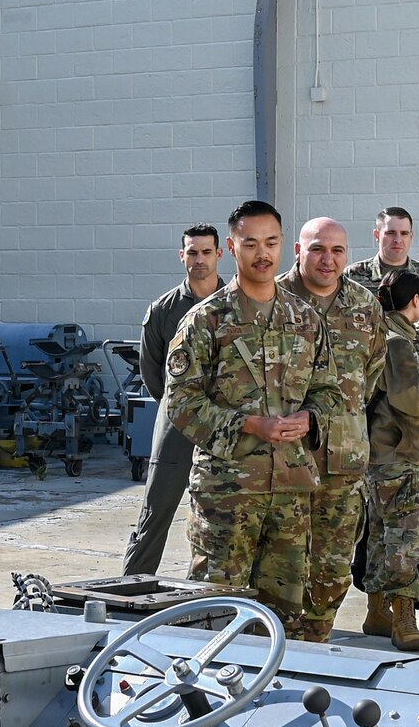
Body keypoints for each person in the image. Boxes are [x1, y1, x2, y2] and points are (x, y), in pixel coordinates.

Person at [165, 200, 337, 625]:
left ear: (284, 246)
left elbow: (330, 390)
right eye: (251, 243)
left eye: (272, 243)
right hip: (228, 492)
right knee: (216, 609)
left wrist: (311, 417)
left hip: (291, 490)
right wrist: (247, 424)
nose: (263, 254)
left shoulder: (305, 318)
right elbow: (181, 402)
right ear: (232, 247)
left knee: (283, 615)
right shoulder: (206, 320)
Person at [278, 217, 380, 641]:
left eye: (337, 251)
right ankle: (281, 650)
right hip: (283, 462)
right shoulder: (273, 299)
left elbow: (370, 376)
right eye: (318, 249)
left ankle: (317, 641)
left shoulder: (365, 305)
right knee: (283, 566)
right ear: (299, 251)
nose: (328, 259)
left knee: (332, 565)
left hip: (343, 461)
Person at [122, 224, 224, 576]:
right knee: (156, 509)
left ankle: (211, 592)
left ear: (219, 254)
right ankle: (133, 584)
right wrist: (179, 408)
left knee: (224, 514)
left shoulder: (236, 303)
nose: (199, 260)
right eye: (192, 252)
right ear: (182, 255)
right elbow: (152, 373)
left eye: (206, 252)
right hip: (178, 421)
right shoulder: (164, 309)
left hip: (225, 423)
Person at [358, 270, 419, 651]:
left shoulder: (380, 332)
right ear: (417, 300)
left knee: (379, 534)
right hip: (398, 454)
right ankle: (403, 618)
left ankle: (376, 611)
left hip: (378, 454)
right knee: (406, 537)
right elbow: (413, 402)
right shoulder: (398, 342)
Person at [345, 206, 419, 299]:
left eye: (404, 233)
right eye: (390, 233)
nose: (398, 240)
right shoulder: (352, 276)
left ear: (411, 236)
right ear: (377, 235)